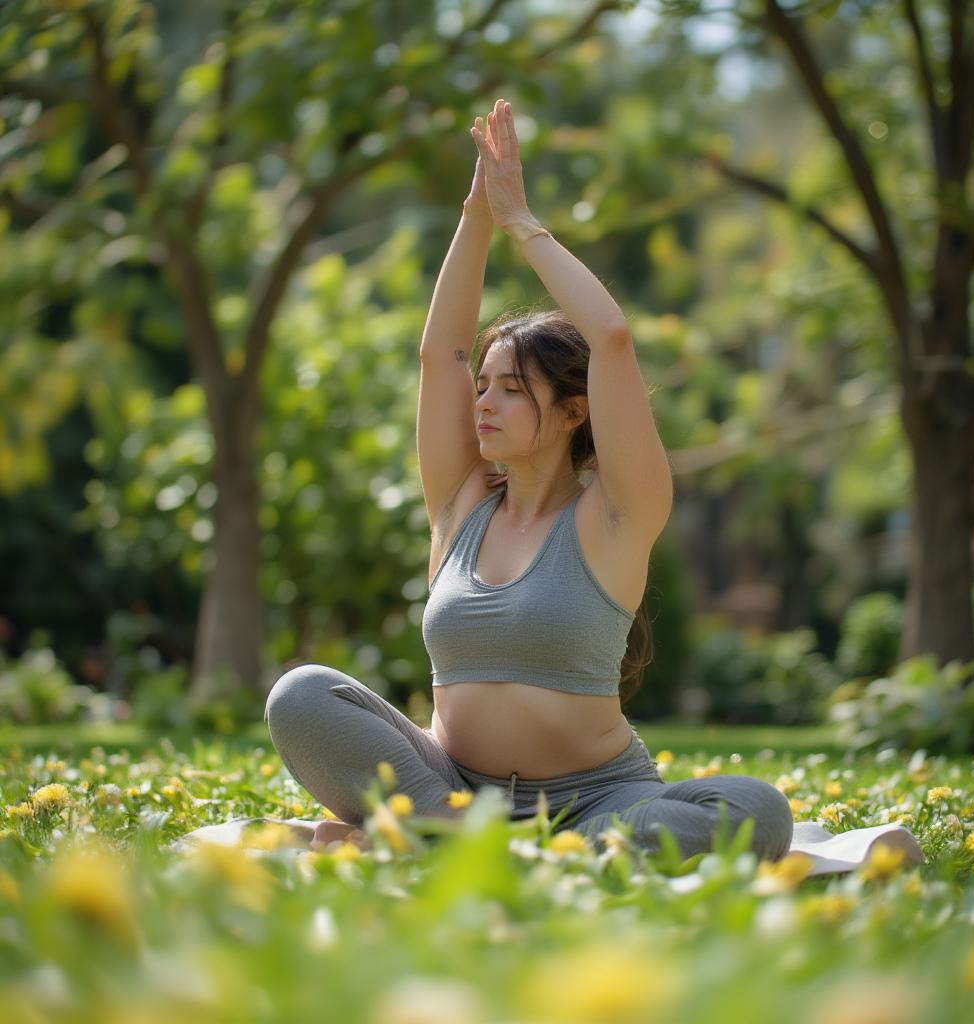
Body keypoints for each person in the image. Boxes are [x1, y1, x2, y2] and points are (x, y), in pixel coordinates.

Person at [264, 98, 793, 861]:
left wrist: (521, 223)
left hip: (599, 800)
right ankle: (452, 832)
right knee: (302, 694)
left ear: (576, 410)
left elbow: (609, 339)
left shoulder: (616, 515)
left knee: (755, 809)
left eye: (512, 388)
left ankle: (467, 848)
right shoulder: (459, 505)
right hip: (446, 786)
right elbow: (439, 354)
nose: (484, 401)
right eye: (485, 385)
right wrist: (476, 216)